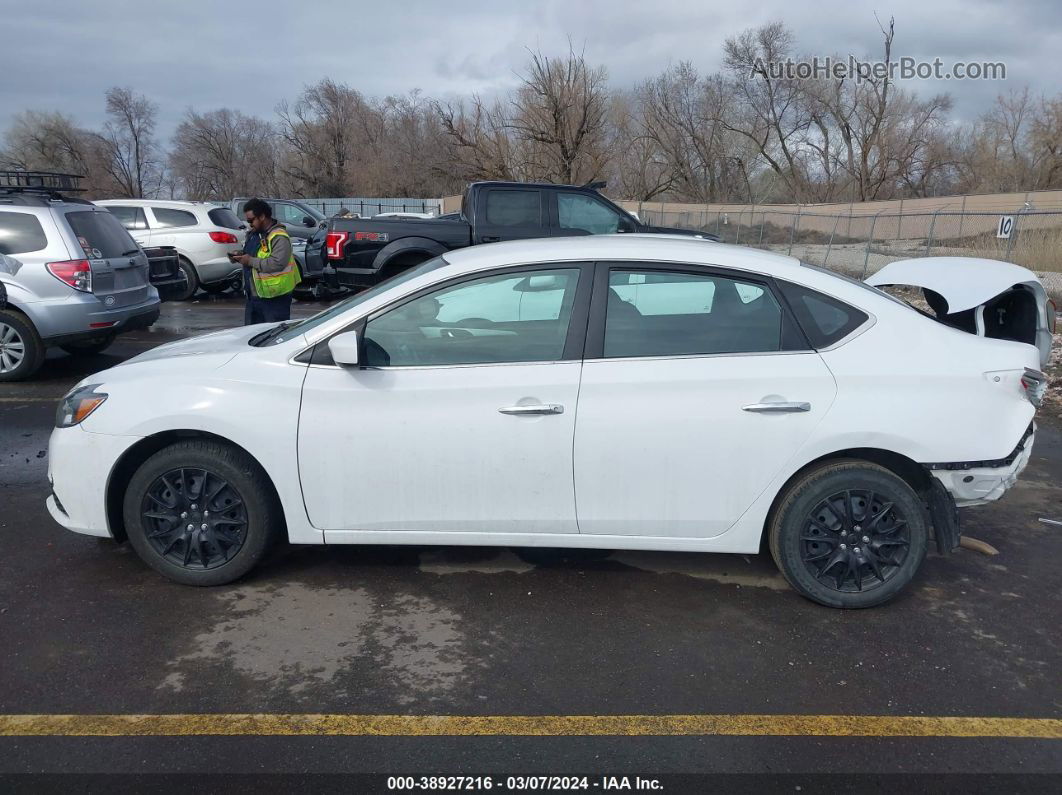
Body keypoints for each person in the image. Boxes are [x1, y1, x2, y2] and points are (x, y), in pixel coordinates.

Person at [231, 198, 300, 325]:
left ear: (262, 216)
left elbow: (277, 263)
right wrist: (240, 256)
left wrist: (250, 261)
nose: (249, 224)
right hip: (254, 297)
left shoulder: (279, 236)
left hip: (275, 299)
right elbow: (253, 255)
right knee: (253, 337)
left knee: (274, 337)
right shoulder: (254, 234)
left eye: (251, 220)